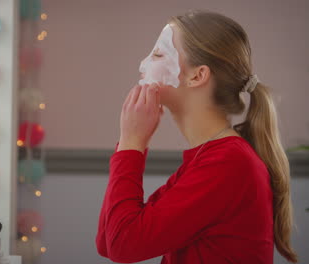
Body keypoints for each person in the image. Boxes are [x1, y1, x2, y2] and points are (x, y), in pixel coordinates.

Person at [96, 10, 298, 264]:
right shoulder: (210, 158)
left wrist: (131, 143)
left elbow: (121, 245)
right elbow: (107, 239)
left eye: (157, 54)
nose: (142, 63)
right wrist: (131, 143)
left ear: (197, 76)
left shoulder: (229, 164)